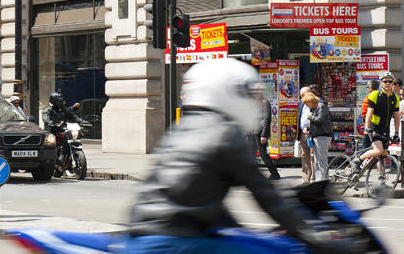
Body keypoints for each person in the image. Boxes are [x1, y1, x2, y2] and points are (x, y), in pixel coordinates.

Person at [128, 59, 343, 252]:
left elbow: (197, 195)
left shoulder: (183, 128)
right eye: (249, 95)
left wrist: (240, 229)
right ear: (229, 94)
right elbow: (266, 196)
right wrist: (310, 233)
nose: (253, 103)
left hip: (145, 233)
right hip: (172, 241)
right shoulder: (225, 135)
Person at [353, 71, 401, 172]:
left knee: (383, 154)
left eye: (390, 81)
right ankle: (357, 160)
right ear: (381, 83)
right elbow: (369, 113)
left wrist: (396, 133)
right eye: (385, 81)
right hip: (374, 127)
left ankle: (381, 179)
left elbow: (396, 117)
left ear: (393, 83)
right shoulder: (375, 94)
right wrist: (367, 128)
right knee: (378, 150)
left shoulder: (395, 98)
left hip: (385, 128)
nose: (388, 83)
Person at [247, 97, 281, 180]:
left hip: (259, 133)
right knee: (250, 155)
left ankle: (275, 174)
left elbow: (267, 119)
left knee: (263, 155)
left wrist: (264, 135)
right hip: (251, 132)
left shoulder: (264, 102)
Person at [303, 92, 332, 180]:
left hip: (323, 136)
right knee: (318, 160)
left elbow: (320, 120)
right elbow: (314, 122)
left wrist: (309, 117)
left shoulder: (321, 106)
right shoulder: (314, 109)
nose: (307, 105)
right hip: (317, 136)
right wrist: (307, 128)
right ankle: (322, 179)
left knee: (321, 160)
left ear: (311, 101)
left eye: (307, 103)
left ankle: (322, 180)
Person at [298, 86, 315, 182]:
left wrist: (308, 127)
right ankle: (305, 177)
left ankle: (314, 177)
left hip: (311, 132)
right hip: (302, 133)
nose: (302, 98)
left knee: (312, 155)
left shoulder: (315, 102)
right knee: (304, 155)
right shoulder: (301, 104)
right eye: (301, 96)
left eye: (303, 95)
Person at [360, 79, 380, 149]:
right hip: (368, 120)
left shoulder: (373, 95)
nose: (368, 89)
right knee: (368, 143)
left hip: (370, 121)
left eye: (368, 87)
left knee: (367, 143)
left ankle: (362, 157)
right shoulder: (374, 95)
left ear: (371, 87)